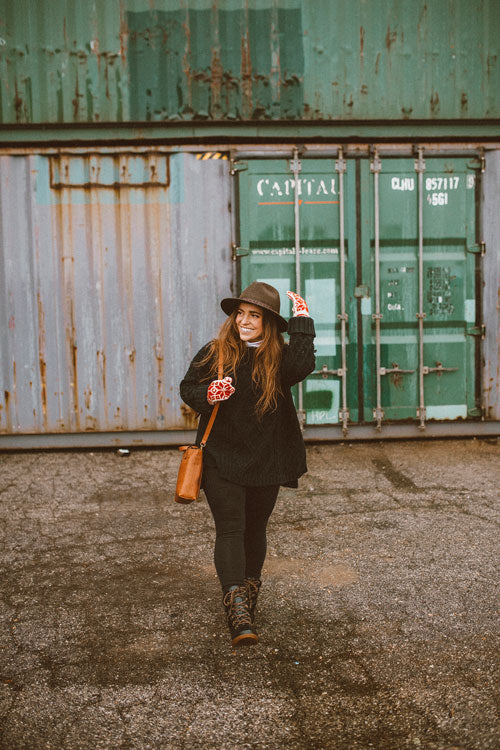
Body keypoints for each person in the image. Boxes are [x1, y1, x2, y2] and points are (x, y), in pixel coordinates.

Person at [179, 281, 315, 646]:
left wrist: (302, 319)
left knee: (256, 528)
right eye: (241, 313)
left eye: (254, 315)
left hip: (266, 459)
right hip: (222, 457)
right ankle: (237, 609)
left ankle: (249, 593)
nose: (245, 320)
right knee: (231, 528)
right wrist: (208, 393)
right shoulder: (216, 351)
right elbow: (188, 387)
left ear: (268, 322)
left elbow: (303, 364)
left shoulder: (279, 357)